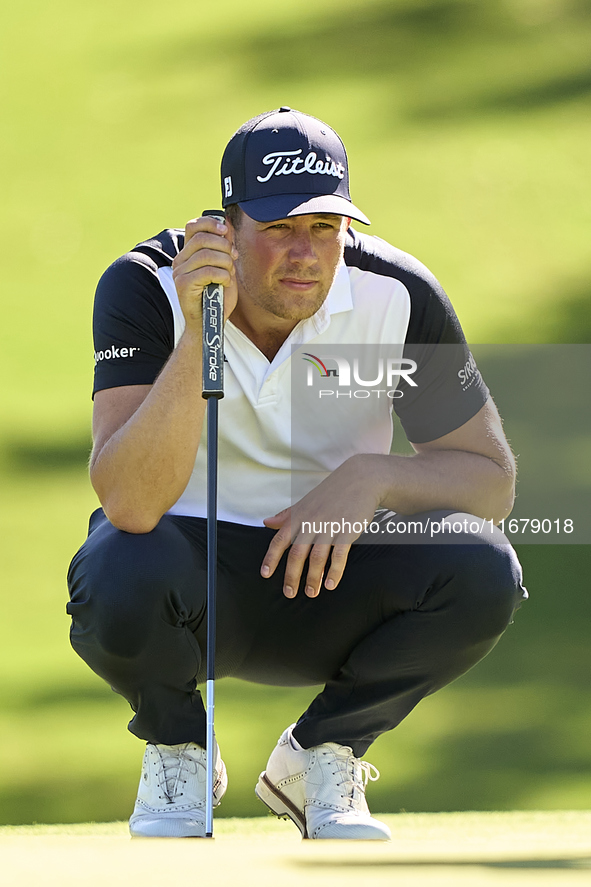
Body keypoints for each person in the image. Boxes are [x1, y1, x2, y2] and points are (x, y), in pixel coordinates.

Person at [67, 107, 527, 841]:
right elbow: (127, 497)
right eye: (278, 228)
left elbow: (489, 481)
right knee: (114, 568)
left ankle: (322, 754)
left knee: (481, 566)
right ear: (224, 227)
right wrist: (200, 329)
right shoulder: (144, 286)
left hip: (333, 581)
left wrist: (370, 477)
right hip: (192, 591)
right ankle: (180, 746)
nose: (305, 254)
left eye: (324, 227)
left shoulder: (395, 294)